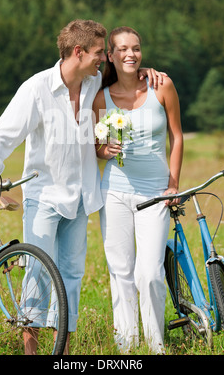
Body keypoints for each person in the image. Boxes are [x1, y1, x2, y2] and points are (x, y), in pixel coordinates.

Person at [0, 19, 165, 355]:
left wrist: (146, 70)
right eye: (97, 53)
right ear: (77, 52)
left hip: (82, 196)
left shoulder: (94, 81)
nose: (102, 60)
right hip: (44, 196)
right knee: (37, 271)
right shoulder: (37, 89)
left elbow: (126, 68)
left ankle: (60, 353)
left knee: (71, 276)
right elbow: (5, 133)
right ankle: (32, 351)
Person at [93, 26, 183, 354]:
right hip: (114, 192)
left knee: (149, 272)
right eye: (123, 49)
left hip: (155, 192)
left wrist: (173, 183)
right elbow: (96, 145)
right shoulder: (100, 97)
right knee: (120, 271)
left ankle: (155, 346)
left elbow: (177, 136)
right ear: (110, 56)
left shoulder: (161, 86)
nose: (131, 54)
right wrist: (104, 151)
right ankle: (127, 347)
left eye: (136, 48)